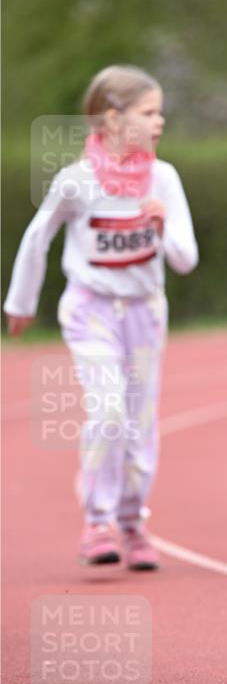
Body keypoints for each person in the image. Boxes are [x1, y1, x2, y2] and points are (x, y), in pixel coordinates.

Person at [3, 65, 198, 568]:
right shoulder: (77, 181)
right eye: (148, 113)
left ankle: (132, 523)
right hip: (90, 310)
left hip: (144, 313)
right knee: (109, 410)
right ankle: (97, 521)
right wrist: (21, 304)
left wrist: (161, 227)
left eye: (159, 113)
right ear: (112, 119)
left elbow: (185, 260)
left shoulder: (163, 178)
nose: (159, 121)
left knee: (139, 421)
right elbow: (38, 236)